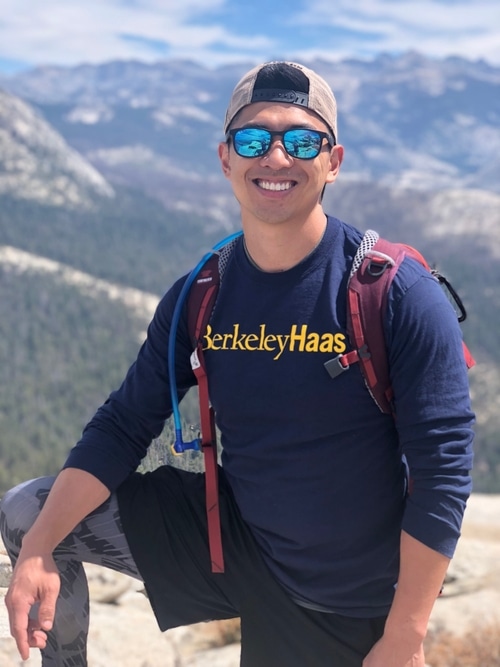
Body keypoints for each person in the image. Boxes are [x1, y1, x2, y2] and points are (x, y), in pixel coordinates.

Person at [0, 61, 474, 667]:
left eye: (302, 141)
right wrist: (40, 546)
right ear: (226, 159)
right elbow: (124, 424)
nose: (275, 157)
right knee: (27, 513)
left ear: (333, 161)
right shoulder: (203, 291)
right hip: (235, 543)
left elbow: (442, 470)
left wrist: (406, 633)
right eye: (253, 139)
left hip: (346, 593)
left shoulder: (396, 291)